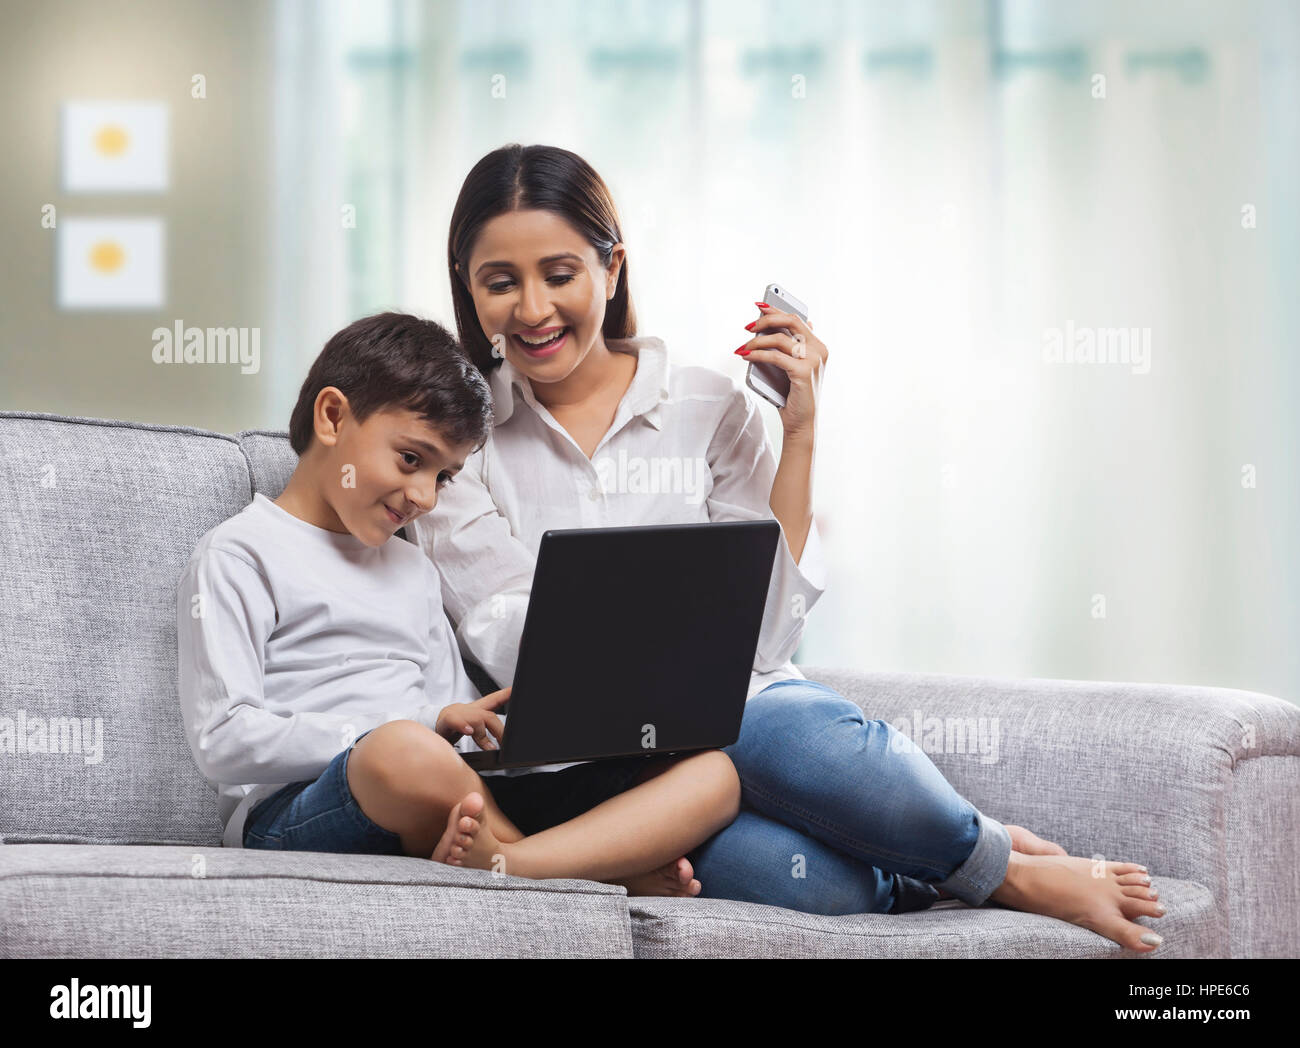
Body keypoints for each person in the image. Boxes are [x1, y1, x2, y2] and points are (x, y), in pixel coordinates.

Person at [412, 143, 1165, 949]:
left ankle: (1004, 870)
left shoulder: (707, 405)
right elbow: (513, 640)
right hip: (592, 769)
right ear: (468, 285)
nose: (532, 309)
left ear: (612, 267)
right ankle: (954, 859)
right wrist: (670, 679)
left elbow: (767, 638)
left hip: (747, 719)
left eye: (560, 274)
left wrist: (798, 434)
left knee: (792, 732)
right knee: (802, 882)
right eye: (501, 282)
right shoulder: (455, 444)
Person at [174, 311, 740, 896]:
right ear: (333, 416)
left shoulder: (412, 568)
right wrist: (415, 730)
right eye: (411, 459)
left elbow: (452, 720)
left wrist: (527, 732)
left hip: (448, 790)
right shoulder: (241, 554)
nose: (424, 496)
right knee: (401, 751)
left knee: (711, 772)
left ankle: (516, 864)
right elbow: (223, 739)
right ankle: (588, 874)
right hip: (302, 805)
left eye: (444, 477)